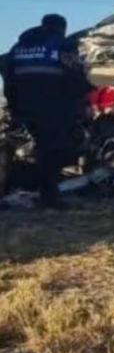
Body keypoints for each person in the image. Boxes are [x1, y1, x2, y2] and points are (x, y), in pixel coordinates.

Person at [1, 14, 89, 209]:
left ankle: (15, 189)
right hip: (53, 106)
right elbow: (75, 72)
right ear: (61, 28)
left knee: (26, 149)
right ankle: (50, 198)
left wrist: (14, 102)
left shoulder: (20, 47)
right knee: (51, 151)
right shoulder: (63, 44)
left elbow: (6, 68)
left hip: (23, 105)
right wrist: (80, 101)